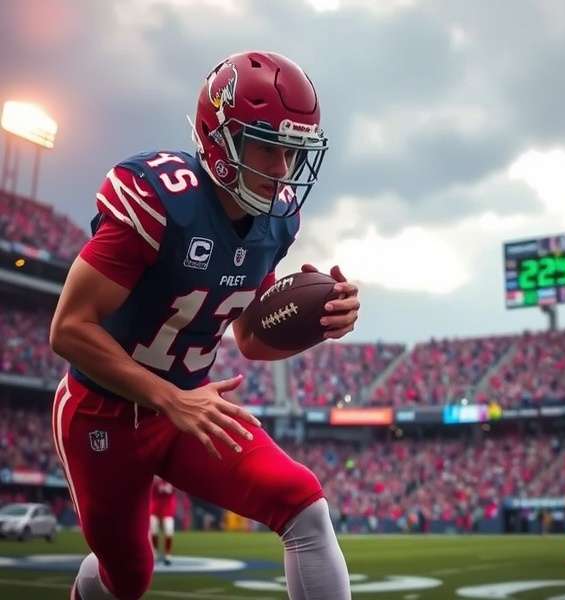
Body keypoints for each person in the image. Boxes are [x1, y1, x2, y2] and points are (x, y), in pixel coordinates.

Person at [49, 51, 358, 600]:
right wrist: (169, 398)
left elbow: (250, 340)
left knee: (303, 504)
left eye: (292, 151)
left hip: (195, 404)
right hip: (104, 411)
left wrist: (314, 321)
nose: (284, 169)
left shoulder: (277, 219)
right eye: (270, 146)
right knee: (129, 576)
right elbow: (69, 329)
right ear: (222, 140)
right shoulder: (157, 199)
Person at [150, 476, 178, 565]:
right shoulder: (155, 478)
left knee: (169, 530)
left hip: (168, 508)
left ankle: (168, 555)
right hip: (155, 507)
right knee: (154, 531)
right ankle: (154, 553)